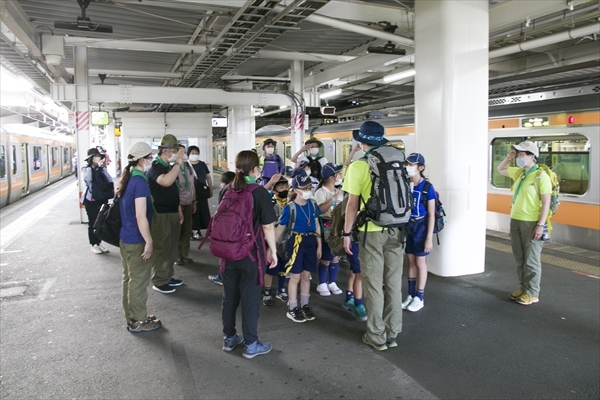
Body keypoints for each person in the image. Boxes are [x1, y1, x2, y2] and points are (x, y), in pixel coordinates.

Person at [342, 120, 404, 351]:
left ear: (362, 141)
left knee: (373, 285)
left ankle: (376, 336)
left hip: (371, 232)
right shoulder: (397, 160)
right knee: (393, 284)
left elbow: (351, 205)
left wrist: (346, 233)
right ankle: (392, 333)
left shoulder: (359, 166)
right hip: (397, 230)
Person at [220, 150, 278, 359]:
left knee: (230, 297)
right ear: (254, 169)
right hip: (251, 255)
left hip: (227, 253)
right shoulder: (258, 192)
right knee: (250, 299)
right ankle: (251, 344)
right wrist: (273, 250)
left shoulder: (227, 190)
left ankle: (229, 338)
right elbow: (268, 227)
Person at [497, 141, 551, 306]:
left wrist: (540, 225)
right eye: (518, 153)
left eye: (522, 154)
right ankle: (523, 288)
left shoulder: (541, 176)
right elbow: (501, 169)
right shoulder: (520, 173)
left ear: (532, 157)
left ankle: (533, 292)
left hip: (532, 222)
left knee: (531, 260)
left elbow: (546, 203)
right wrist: (508, 158)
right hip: (516, 220)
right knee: (520, 258)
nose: (519, 157)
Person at [117, 142, 161, 333]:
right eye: (150, 157)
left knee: (129, 279)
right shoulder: (139, 182)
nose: (151, 160)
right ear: (142, 159)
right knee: (139, 281)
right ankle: (139, 320)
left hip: (125, 238)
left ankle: (132, 315)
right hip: (137, 240)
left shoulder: (127, 178)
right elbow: (140, 215)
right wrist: (149, 241)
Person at [276, 175, 322, 323]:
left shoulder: (313, 204)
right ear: (296, 190)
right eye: (304, 188)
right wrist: (272, 248)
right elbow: (281, 228)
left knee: (306, 275)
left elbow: (316, 224)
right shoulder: (290, 208)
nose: (308, 191)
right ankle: (293, 307)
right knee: (295, 276)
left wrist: (319, 243)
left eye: (309, 188)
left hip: (310, 241)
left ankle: (305, 305)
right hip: (296, 242)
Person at [147, 134, 185, 294]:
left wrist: (179, 210)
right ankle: (159, 280)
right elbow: (166, 181)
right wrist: (178, 163)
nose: (177, 153)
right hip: (161, 215)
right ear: (167, 151)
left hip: (172, 213)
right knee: (161, 248)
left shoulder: (168, 166)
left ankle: (168, 276)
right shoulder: (156, 167)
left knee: (171, 247)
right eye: (176, 150)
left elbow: (172, 189)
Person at [401, 153, 437, 313]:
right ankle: (410, 294)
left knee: (420, 262)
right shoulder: (405, 184)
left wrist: (429, 238)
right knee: (410, 261)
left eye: (412, 164)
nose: (408, 167)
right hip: (408, 227)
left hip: (421, 227)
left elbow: (432, 214)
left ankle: (419, 297)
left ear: (421, 168)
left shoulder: (427, 187)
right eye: (407, 164)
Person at [314, 163, 344, 297]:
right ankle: (321, 283)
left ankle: (332, 281)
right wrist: (333, 199)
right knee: (326, 257)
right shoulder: (320, 192)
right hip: (326, 225)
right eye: (338, 174)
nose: (341, 176)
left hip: (338, 226)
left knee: (336, 255)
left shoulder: (340, 191)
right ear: (331, 177)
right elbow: (319, 210)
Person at [262, 175, 290, 306]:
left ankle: (281, 288)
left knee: (284, 266)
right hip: (273, 239)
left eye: (286, 186)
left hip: (287, 240)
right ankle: (267, 291)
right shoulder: (271, 203)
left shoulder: (290, 204)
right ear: (274, 190)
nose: (285, 189)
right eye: (281, 187)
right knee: (271, 267)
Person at [80, 148, 114, 254]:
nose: (97, 158)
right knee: (93, 222)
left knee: (100, 222)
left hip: (101, 199)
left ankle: (99, 243)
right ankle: (93, 244)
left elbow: (109, 180)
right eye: (94, 157)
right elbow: (88, 179)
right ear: (90, 159)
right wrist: (92, 167)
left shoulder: (101, 169)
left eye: (98, 156)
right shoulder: (85, 169)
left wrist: (102, 168)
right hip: (91, 201)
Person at [208, 171, 236, 286]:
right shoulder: (240, 192)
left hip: (226, 228)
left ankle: (221, 277)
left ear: (224, 184)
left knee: (224, 255)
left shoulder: (225, 192)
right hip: (237, 229)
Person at [176, 145, 196, 265]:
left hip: (189, 202)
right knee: (178, 230)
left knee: (187, 230)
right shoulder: (174, 167)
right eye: (180, 151)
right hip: (178, 203)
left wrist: (194, 201)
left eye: (184, 151)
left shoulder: (188, 166)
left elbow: (192, 185)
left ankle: (185, 254)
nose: (182, 154)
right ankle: (177, 256)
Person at [188, 145, 212, 239]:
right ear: (188, 154)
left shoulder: (202, 164)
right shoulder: (186, 164)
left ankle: (198, 230)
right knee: (192, 211)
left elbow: (208, 177)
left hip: (201, 191)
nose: (195, 154)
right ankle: (190, 231)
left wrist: (210, 188)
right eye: (193, 153)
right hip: (190, 192)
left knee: (202, 211)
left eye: (196, 153)